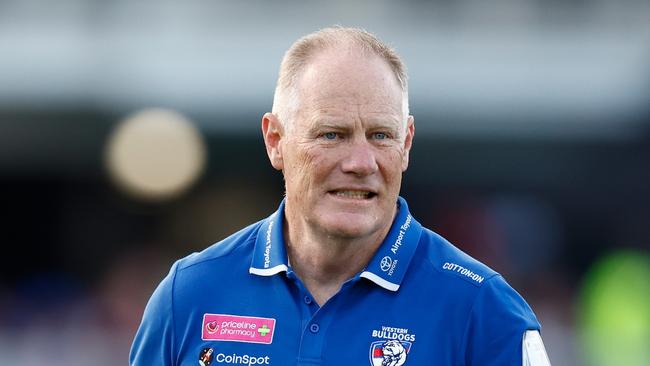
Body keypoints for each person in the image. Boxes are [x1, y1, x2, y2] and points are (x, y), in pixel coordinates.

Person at [130, 27, 551, 366]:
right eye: (333, 135)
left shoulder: (483, 310)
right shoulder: (189, 294)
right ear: (276, 141)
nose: (361, 162)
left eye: (381, 136)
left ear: (406, 144)